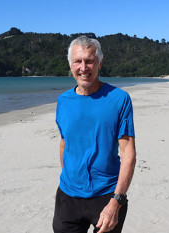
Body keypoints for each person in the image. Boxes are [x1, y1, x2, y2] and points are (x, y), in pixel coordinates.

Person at [53, 36, 136, 233]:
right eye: (78, 61)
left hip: (106, 195)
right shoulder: (63, 101)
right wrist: (70, 177)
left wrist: (117, 201)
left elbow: (128, 154)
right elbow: (65, 142)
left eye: (89, 61)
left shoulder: (119, 99)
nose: (84, 67)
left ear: (100, 63)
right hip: (68, 196)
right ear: (70, 64)